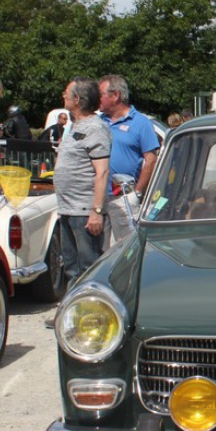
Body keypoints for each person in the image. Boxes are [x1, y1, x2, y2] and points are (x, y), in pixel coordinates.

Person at [52, 78, 110, 295]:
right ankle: (72, 311)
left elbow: (102, 172)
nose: (63, 95)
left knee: (89, 268)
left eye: (67, 92)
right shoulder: (74, 126)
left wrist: (96, 212)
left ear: (77, 99)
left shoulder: (95, 128)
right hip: (68, 209)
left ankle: (92, 315)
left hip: (84, 212)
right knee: (71, 266)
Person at [98, 74, 161, 244]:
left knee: (126, 248)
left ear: (115, 95)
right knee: (99, 252)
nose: (97, 98)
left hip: (124, 197)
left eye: (101, 94)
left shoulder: (141, 123)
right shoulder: (98, 122)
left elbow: (151, 160)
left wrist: (137, 193)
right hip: (99, 197)